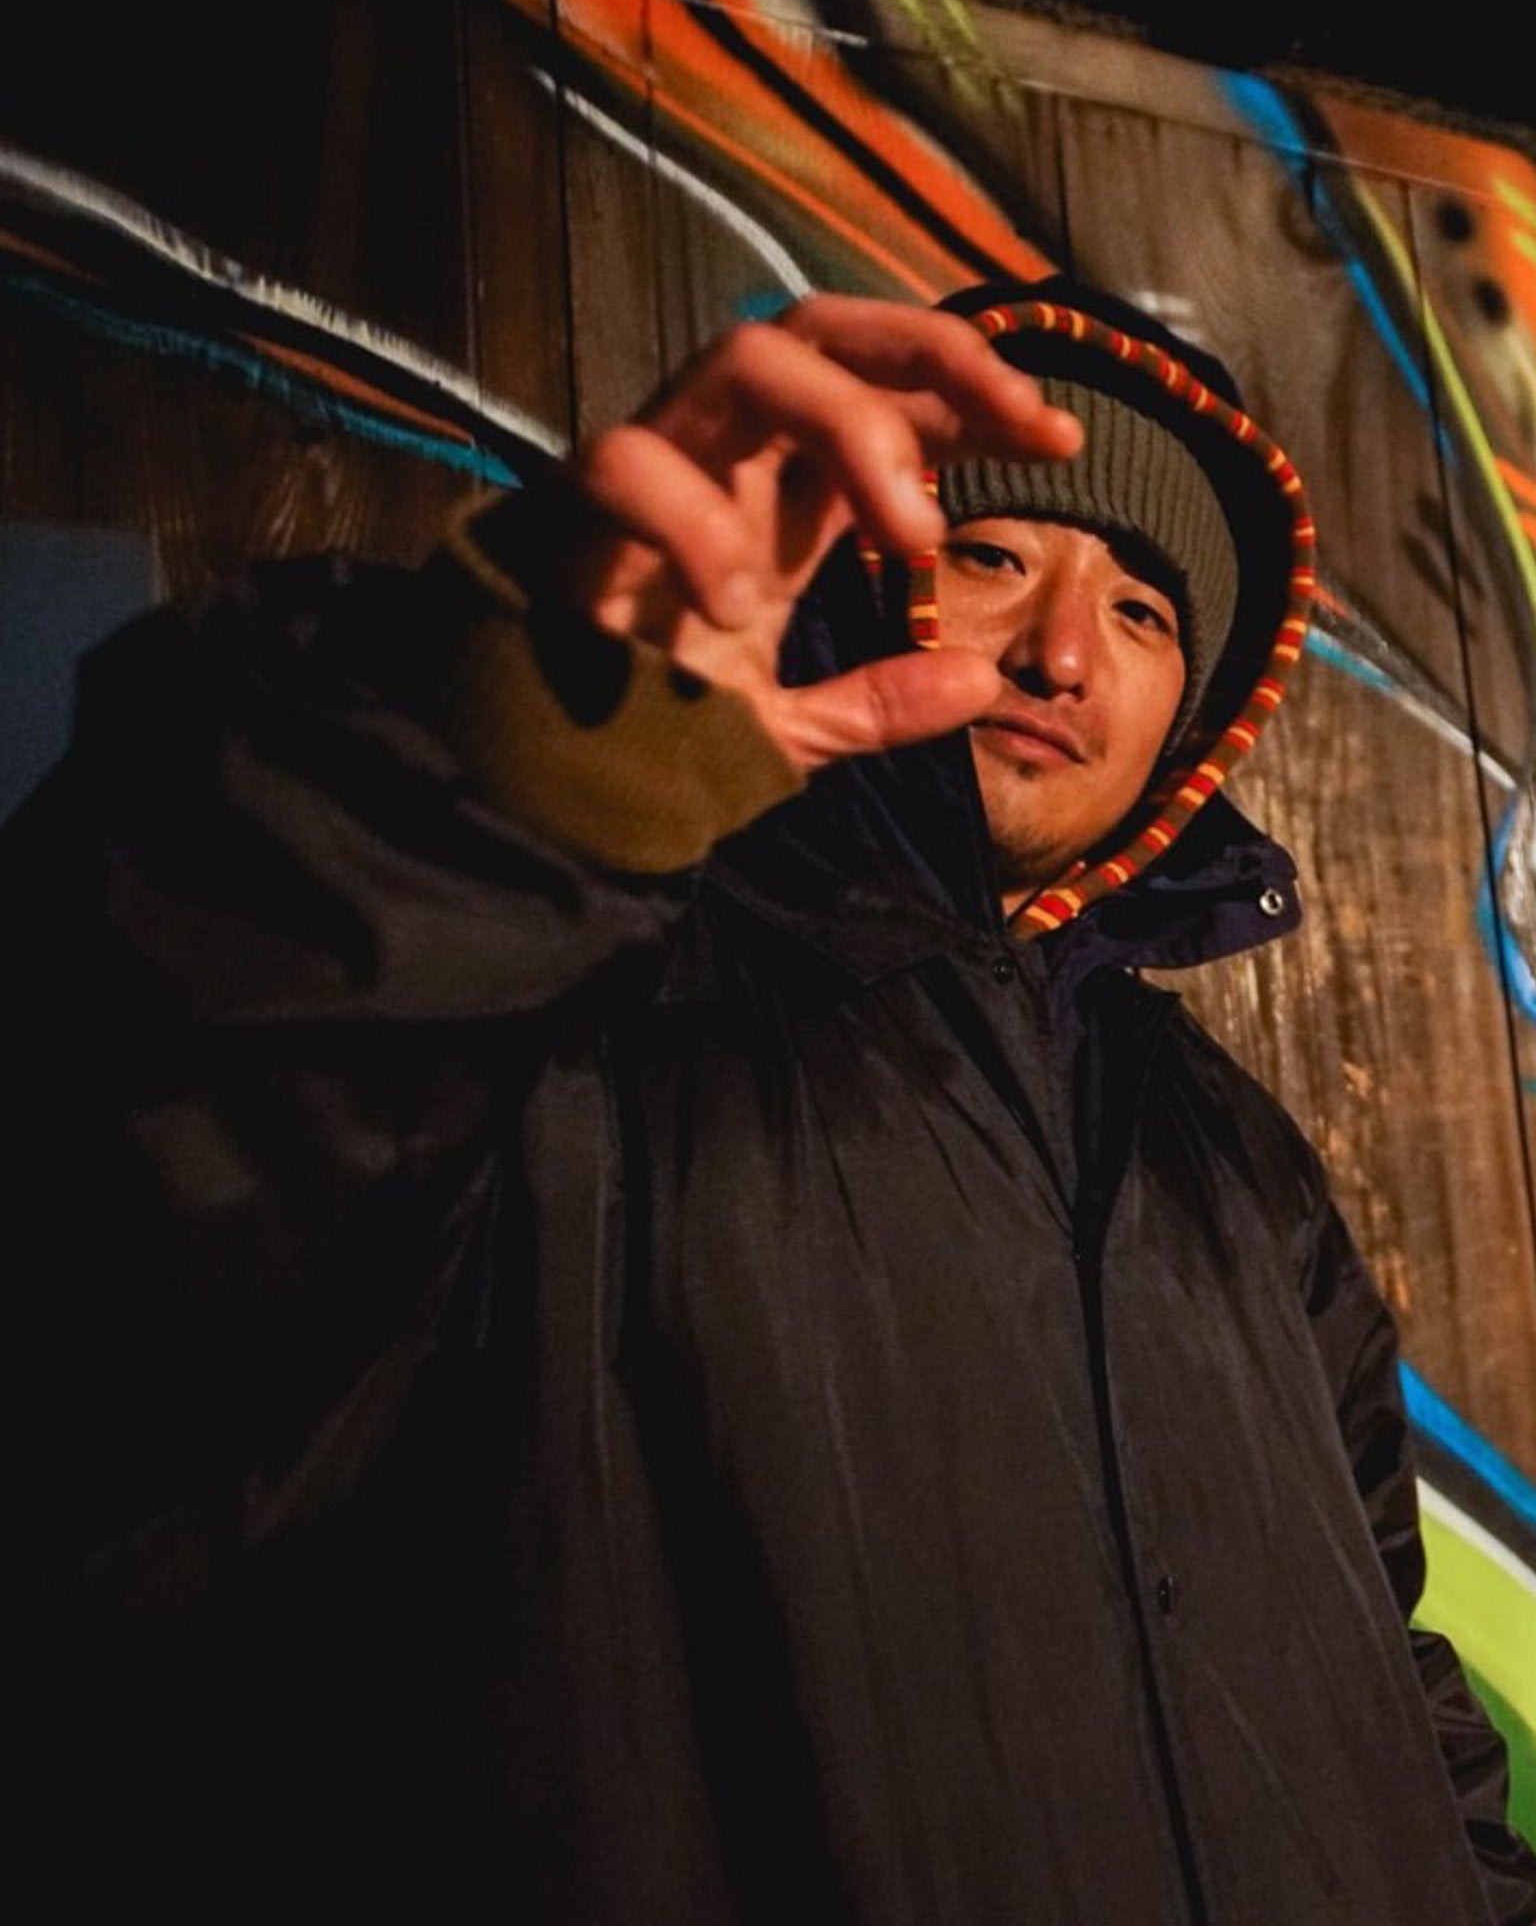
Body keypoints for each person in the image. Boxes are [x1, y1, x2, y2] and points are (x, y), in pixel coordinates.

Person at [15, 277, 1536, 1923]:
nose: (1063, 652)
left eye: (1146, 614)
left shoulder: (1233, 1158)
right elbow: (137, 1220)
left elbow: (1394, 1684)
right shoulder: (559, 1007)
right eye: (990, 556)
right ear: (854, 580)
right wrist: (492, 758)